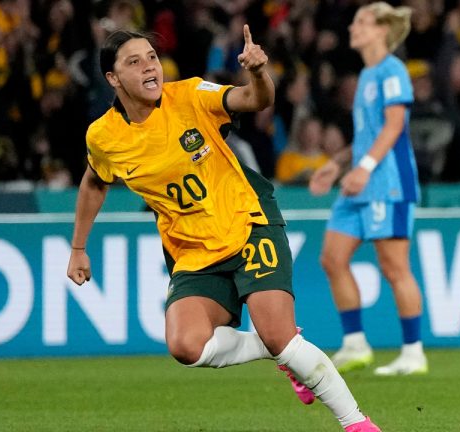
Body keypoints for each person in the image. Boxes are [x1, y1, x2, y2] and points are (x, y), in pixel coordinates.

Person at [66, 28, 382, 432]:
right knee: (186, 346)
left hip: (248, 220)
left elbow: (255, 99)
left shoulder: (192, 95)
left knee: (279, 335)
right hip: (193, 248)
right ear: (112, 79)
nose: (149, 66)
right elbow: (95, 181)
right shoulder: (104, 136)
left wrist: (259, 73)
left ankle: (357, 423)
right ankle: (277, 351)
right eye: (134, 61)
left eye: (151, 57)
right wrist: (78, 247)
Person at [309, 2, 428, 376]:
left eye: (361, 22)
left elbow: (394, 127)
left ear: (381, 30)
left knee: (395, 268)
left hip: (387, 184)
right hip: (359, 181)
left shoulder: (393, 71)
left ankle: (413, 353)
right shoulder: (366, 76)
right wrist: (338, 163)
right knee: (331, 258)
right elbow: (368, 136)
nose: (352, 28)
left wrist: (363, 168)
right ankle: (355, 344)